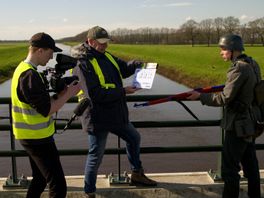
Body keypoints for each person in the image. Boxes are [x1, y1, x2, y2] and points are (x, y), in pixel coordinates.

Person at [71, 26, 157, 197]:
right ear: (90, 42)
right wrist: (123, 91)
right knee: (96, 156)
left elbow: (124, 68)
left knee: (134, 137)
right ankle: (89, 192)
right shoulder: (83, 63)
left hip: (116, 113)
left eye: (107, 42)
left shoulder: (106, 56)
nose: (105, 46)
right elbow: (94, 94)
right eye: (102, 43)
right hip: (97, 116)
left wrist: (138, 64)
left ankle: (137, 174)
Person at [187, 34, 261, 198]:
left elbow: (224, 98)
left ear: (233, 50)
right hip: (251, 122)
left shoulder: (239, 68)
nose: (221, 52)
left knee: (229, 169)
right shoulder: (253, 63)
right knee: (251, 165)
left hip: (238, 126)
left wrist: (200, 96)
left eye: (223, 49)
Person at [11, 32, 81, 198]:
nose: (50, 58)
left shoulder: (24, 69)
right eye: (50, 53)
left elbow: (43, 104)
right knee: (58, 187)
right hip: (37, 138)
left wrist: (61, 92)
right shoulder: (29, 76)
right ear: (40, 51)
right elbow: (47, 110)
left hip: (32, 135)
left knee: (40, 179)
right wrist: (69, 93)